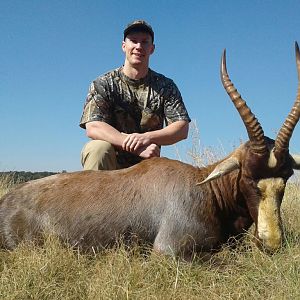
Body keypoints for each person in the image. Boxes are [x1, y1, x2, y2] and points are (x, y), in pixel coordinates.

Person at [79, 20, 191, 170]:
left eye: (144, 42)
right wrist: (134, 145)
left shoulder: (166, 86)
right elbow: (93, 126)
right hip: (111, 166)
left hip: (148, 164)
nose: (138, 47)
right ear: (124, 46)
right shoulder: (103, 83)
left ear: (152, 49)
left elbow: (181, 128)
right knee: (97, 149)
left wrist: (146, 138)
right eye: (133, 41)